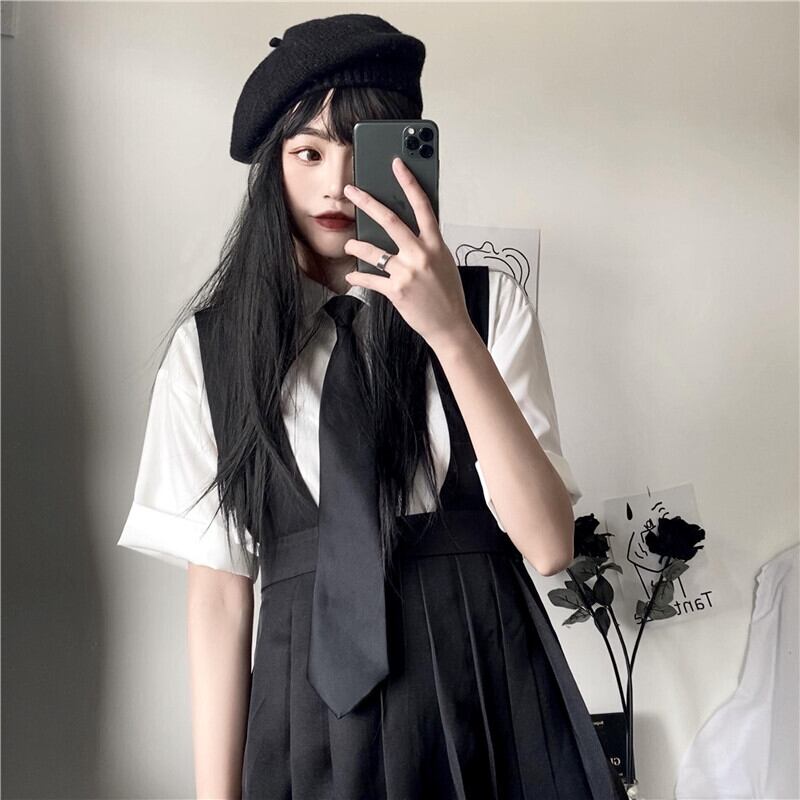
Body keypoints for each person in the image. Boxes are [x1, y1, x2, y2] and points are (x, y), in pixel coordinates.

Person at [117, 13, 628, 800]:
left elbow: (549, 543)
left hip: (488, 687)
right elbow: (219, 592)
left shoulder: (489, 308)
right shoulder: (212, 350)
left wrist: (450, 332)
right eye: (309, 152)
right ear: (272, 167)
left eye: (363, 148)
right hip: (308, 711)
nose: (337, 181)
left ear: (407, 157)